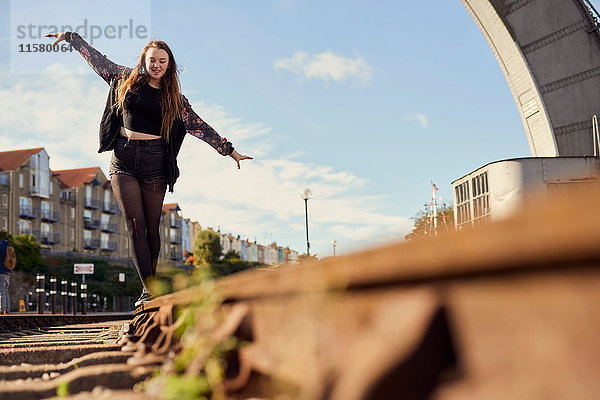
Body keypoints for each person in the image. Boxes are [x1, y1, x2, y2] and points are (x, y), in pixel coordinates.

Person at [45, 31, 253, 307]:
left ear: (169, 66)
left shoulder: (175, 100)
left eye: (162, 61)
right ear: (144, 60)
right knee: (134, 224)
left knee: (152, 228)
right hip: (124, 159)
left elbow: (199, 126)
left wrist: (229, 150)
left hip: (155, 161)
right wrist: (73, 38)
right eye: (152, 59)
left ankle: (152, 282)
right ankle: (148, 288)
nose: (156, 65)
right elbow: (97, 61)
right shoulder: (123, 79)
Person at [0, 240, 12, 314]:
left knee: (1, 291)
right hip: (8, 271)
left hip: (1, 271)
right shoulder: (8, 247)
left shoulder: (0, 247)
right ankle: (7, 310)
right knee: (6, 291)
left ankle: (1, 310)